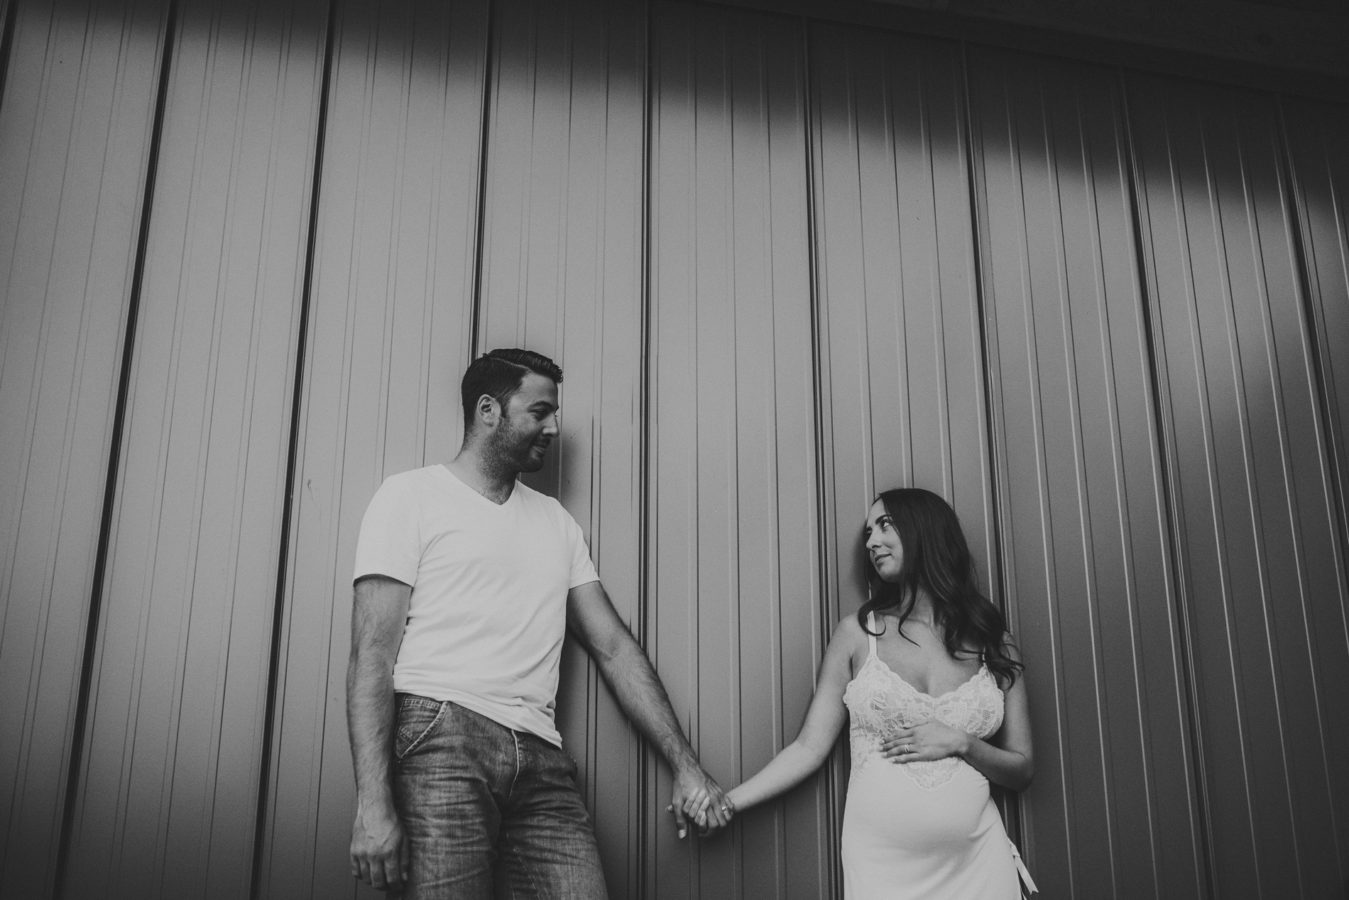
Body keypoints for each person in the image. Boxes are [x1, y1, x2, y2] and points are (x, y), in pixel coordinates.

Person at [346, 348, 729, 898]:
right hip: (442, 739)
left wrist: (686, 764)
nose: (553, 427)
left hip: (541, 757)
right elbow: (371, 657)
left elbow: (615, 649)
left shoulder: (557, 524)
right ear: (488, 410)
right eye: (539, 411)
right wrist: (373, 804)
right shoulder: (410, 497)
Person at [721, 488, 1036, 899]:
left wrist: (963, 743)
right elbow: (808, 749)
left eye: (884, 525)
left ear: (924, 531)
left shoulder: (996, 642)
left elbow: (1023, 769)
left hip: (979, 864)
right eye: (869, 532)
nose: (871, 541)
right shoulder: (857, 634)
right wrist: (728, 802)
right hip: (883, 869)